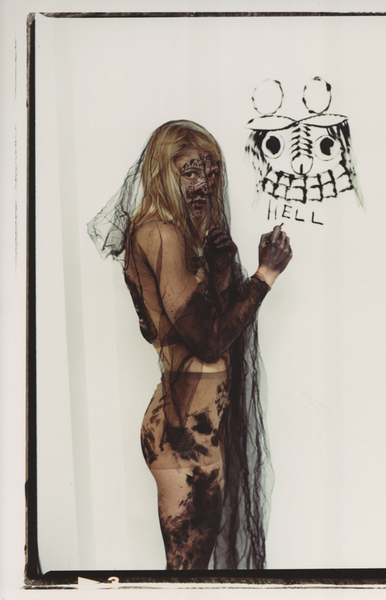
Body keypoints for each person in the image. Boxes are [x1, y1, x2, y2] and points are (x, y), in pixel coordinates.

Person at [88, 120, 292, 570]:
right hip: (181, 436)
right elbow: (208, 342)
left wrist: (218, 272)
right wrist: (264, 275)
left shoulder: (177, 236)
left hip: (198, 431)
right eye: (191, 172)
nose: (205, 184)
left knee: (193, 571)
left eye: (211, 172)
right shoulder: (158, 232)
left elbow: (205, 325)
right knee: (186, 574)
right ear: (163, 172)